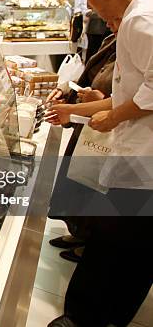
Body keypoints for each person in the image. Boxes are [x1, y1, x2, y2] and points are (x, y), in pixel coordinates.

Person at [45, 0, 153, 327]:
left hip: (145, 162)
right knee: (120, 246)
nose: (91, 10)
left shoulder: (141, 21)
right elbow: (135, 90)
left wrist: (114, 116)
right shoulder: (138, 16)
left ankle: (88, 320)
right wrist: (91, 107)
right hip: (136, 158)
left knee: (125, 249)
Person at [45, 18, 118, 263]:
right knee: (75, 177)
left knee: (93, 184)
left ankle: (89, 240)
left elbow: (132, 97)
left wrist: (98, 100)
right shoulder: (114, 38)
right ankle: (78, 232)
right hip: (88, 123)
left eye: (116, 19)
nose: (109, 23)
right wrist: (70, 92)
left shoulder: (141, 42)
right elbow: (90, 73)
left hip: (107, 128)